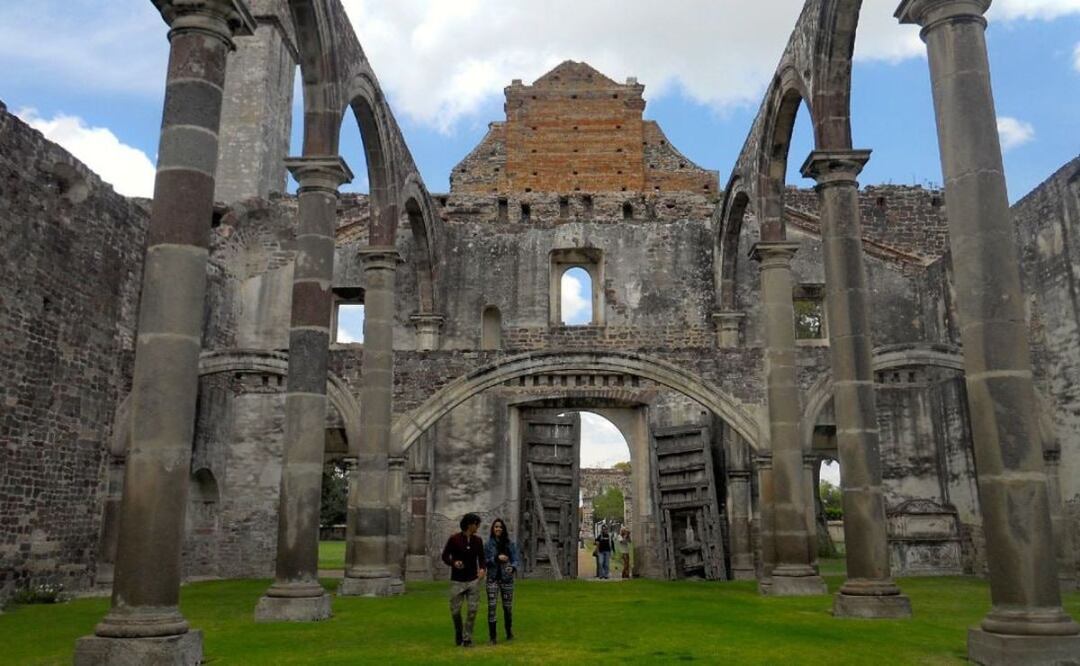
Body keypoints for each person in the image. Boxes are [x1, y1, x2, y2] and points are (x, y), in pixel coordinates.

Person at [441, 513, 485, 647]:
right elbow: (444, 556)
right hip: (457, 580)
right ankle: (458, 632)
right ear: (470, 524)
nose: (478, 526)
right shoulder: (454, 539)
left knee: (472, 610)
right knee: (455, 610)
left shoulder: (478, 541)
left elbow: (482, 558)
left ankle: (467, 638)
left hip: (473, 580)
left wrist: (482, 569)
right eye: (476, 524)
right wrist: (454, 563)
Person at [483, 517, 520, 644]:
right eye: (496, 527)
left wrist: (512, 567)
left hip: (507, 579)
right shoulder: (488, 545)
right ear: (493, 529)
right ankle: (493, 637)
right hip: (492, 579)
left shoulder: (509, 544)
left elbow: (515, 559)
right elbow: (485, 562)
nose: (498, 529)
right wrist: (496, 558)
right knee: (492, 607)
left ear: (503, 529)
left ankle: (509, 632)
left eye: (500, 527)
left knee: (507, 607)